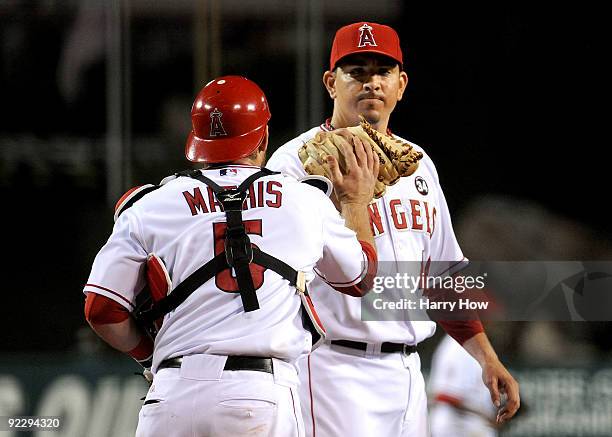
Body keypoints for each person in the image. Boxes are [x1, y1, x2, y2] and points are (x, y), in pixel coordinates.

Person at [82, 75, 380, 437]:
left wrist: (148, 353)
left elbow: (101, 308)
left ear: (197, 142)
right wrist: (356, 201)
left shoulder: (150, 205)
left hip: (173, 393)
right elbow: (359, 277)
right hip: (260, 395)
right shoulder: (304, 199)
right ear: (264, 138)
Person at [267, 21, 520, 436]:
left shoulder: (419, 164)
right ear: (331, 82)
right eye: (357, 72)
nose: (372, 83)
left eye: (382, 72)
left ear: (401, 84)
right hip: (331, 366)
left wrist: (486, 358)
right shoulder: (294, 163)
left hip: (407, 371)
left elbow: (443, 276)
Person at [429, 334, 499, 437]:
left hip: (467, 428)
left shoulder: (473, 342)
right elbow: (446, 396)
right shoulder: (459, 346)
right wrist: (488, 416)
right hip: (457, 429)